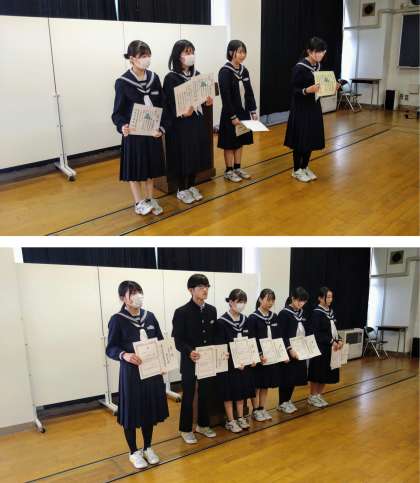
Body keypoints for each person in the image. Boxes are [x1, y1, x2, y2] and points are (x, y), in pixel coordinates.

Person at [105, 281, 169, 469]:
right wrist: (124, 355)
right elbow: (111, 348)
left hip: (151, 372)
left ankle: (148, 447)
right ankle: (133, 451)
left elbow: (160, 342)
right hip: (131, 374)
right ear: (122, 298)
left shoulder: (150, 316)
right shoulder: (117, 319)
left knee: (149, 410)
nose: (137, 296)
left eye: (139, 291)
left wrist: (164, 362)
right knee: (132, 413)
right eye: (132, 293)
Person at [112, 40, 167, 216]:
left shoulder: (154, 78)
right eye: (142, 56)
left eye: (148, 55)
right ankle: (139, 202)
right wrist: (122, 126)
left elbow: (163, 105)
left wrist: (162, 128)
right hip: (134, 134)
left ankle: (150, 199)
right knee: (135, 169)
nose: (146, 59)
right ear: (132, 58)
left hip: (152, 132)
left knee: (151, 168)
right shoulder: (122, 82)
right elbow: (117, 113)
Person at [163, 40, 213, 204]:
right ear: (178, 56)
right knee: (182, 154)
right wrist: (182, 113)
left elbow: (203, 97)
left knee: (195, 152)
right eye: (186, 52)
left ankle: (191, 185)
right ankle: (181, 189)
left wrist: (207, 101)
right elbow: (168, 105)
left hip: (196, 121)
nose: (190, 55)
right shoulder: (171, 78)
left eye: (192, 52)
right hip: (180, 125)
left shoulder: (197, 75)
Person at [284, 37, 339, 183]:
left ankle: (305, 166)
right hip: (300, 109)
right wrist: (307, 90)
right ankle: (296, 170)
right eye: (318, 52)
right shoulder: (300, 67)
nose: (321, 55)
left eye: (323, 52)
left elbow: (321, 88)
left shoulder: (319, 67)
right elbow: (293, 90)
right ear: (309, 51)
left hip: (314, 107)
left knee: (310, 138)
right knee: (300, 140)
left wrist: (332, 87)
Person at [172, 274, 218, 443]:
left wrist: (220, 353)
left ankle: (203, 425)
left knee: (206, 393)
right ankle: (185, 429)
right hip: (189, 361)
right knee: (188, 395)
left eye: (207, 286)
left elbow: (214, 336)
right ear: (191, 290)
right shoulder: (181, 312)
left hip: (207, 361)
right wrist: (189, 351)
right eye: (200, 287)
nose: (205, 290)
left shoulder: (212, 310)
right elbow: (178, 340)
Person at [216, 289, 256, 433]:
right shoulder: (221, 322)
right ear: (231, 301)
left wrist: (253, 358)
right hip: (228, 365)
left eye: (244, 302)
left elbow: (251, 341)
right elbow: (221, 347)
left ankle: (240, 417)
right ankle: (230, 420)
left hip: (244, 364)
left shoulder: (246, 320)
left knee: (241, 391)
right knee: (228, 393)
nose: (241, 305)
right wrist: (233, 360)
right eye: (239, 301)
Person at [218, 40, 258, 183]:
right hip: (230, 114)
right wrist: (233, 116)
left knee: (240, 141)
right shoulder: (225, 72)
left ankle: (237, 168)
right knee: (229, 143)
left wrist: (253, 110)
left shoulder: (244, 70)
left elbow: (249, 92)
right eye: (240, 52)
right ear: (231, 52)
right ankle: (228, 171)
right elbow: (225, 97)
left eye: (244, 52)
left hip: (243, 112)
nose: (242, 55)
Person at [308, 287, 343, 407]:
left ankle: (319, 395)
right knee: (317, 373)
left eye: (331, 297)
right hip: (320, 348)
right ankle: (312, 396)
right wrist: (331, 341)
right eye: (327, 297)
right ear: (320, 298)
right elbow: (316, 333)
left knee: (326, 373)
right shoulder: (316, 313)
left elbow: (334, 329)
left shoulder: (331, 312)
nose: (330, 299)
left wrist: (339, 339)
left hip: (331, 348)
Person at [247, 289, 278, 422]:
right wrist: (258, 354)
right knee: (256, 384)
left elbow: (277, 337)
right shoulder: (253, 318)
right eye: (268, 300)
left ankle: (262, 408)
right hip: (258, 357)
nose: (270, 303)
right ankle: (255, 410)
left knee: (265, 383)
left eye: (272, 300)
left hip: (270, 357)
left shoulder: (274, 316)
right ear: (260, 299)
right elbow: (251, 339)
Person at [277, 287, 310, 414]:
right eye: (299, 300)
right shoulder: (284, 313)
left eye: (303, 301)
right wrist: (289, 349)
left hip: (300, 350)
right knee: (286, 377)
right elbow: (281, 335)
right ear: (293, 298)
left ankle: (288, 400)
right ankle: (282, 402)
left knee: (294, 377)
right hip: (288, 351)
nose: (301, 303)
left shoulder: (302, 313)